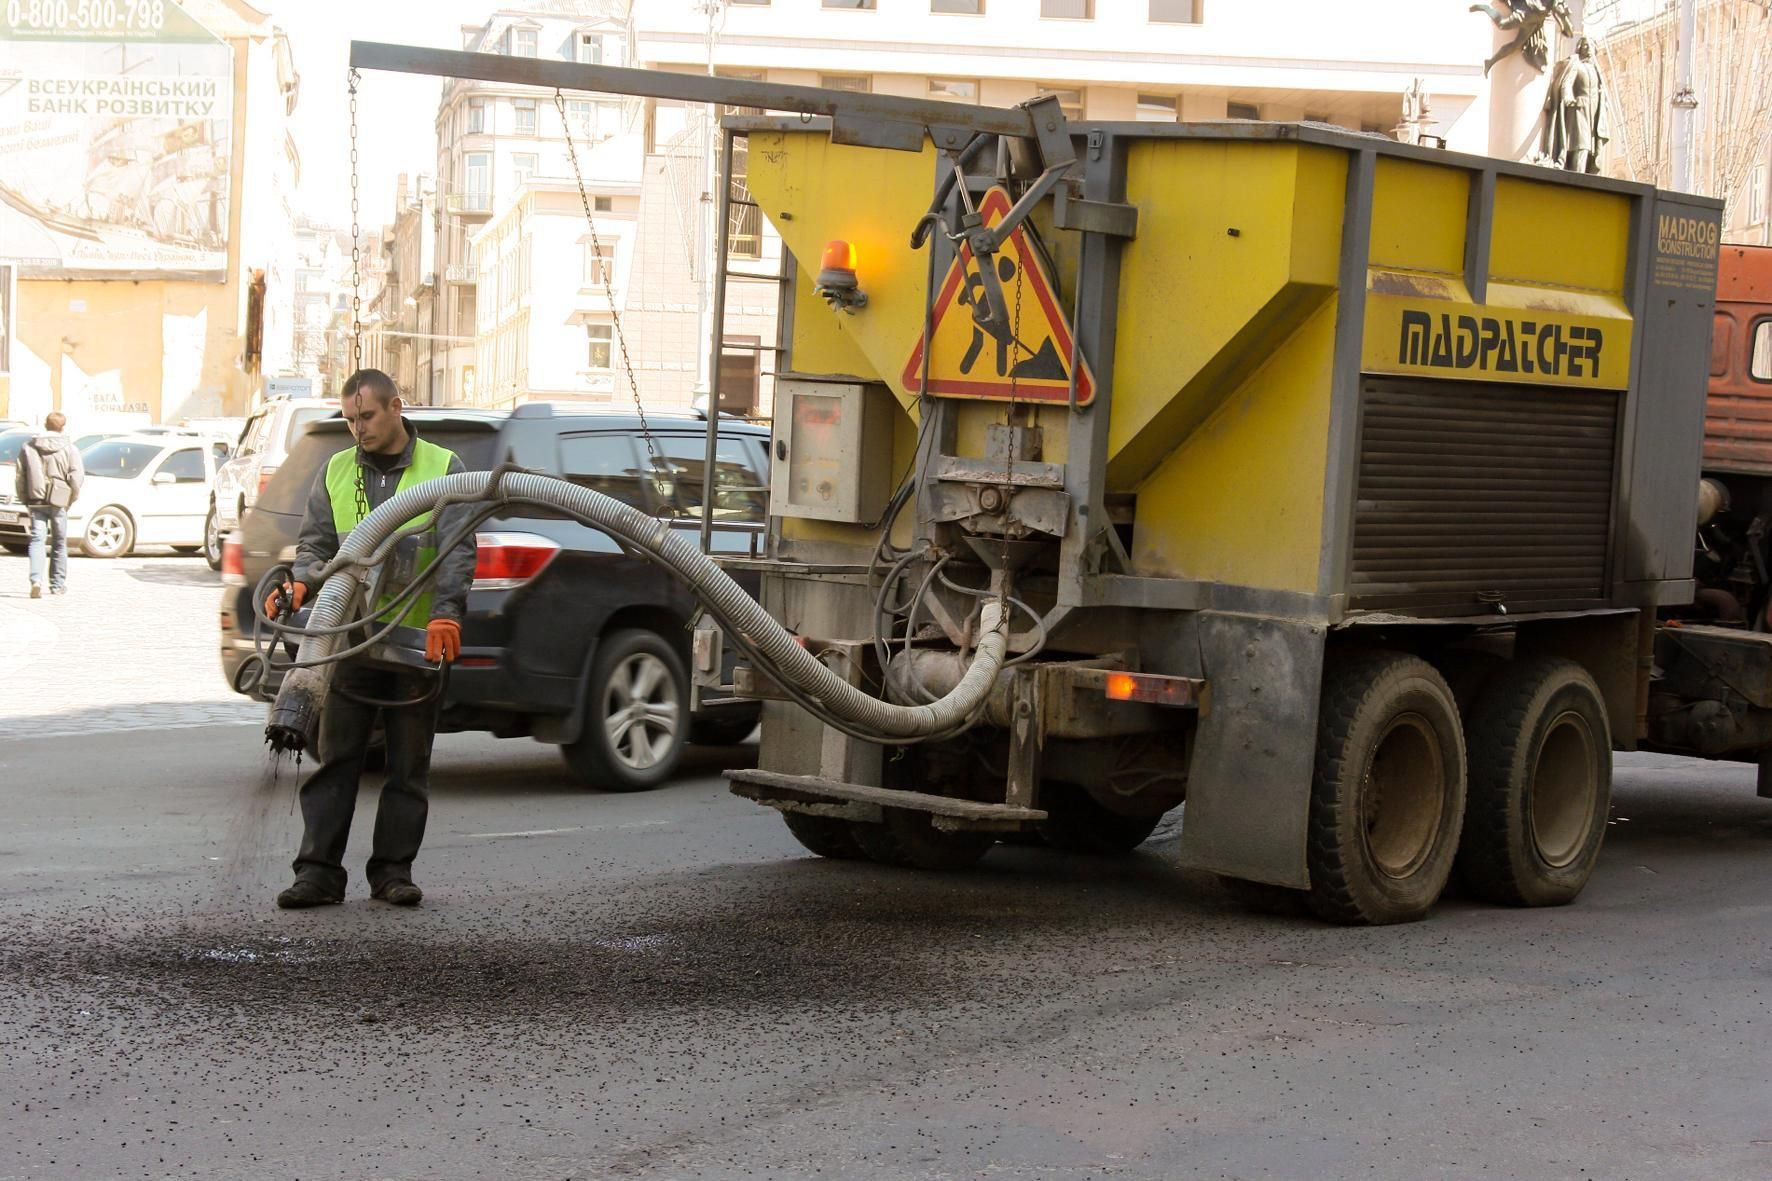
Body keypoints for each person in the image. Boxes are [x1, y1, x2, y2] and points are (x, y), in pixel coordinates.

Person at [271, 368, 475, 909]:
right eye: (349, 418)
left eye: (366, 416)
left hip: (416, 641)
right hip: (351, 641)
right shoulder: (336, 471)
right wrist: (297, 585)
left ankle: (392, 873)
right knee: (337, 758)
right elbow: (316, 547)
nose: (357, 428)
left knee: (408, 768)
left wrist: (447, 614)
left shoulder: (441, 467)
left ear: (396, 407)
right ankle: (317, 873)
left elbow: (457, 547)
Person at [15, 412, 84, 600]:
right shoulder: (70, 448)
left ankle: (36, 581)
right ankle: (57, 584)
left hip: (36, 499)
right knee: (59, 542)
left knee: (37, 540)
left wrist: (24, 499)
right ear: (63, 427)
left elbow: (21, 476)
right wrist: (71, 498)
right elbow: (77, 477)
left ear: (45, 425)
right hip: (60, 500)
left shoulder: (29, 447)